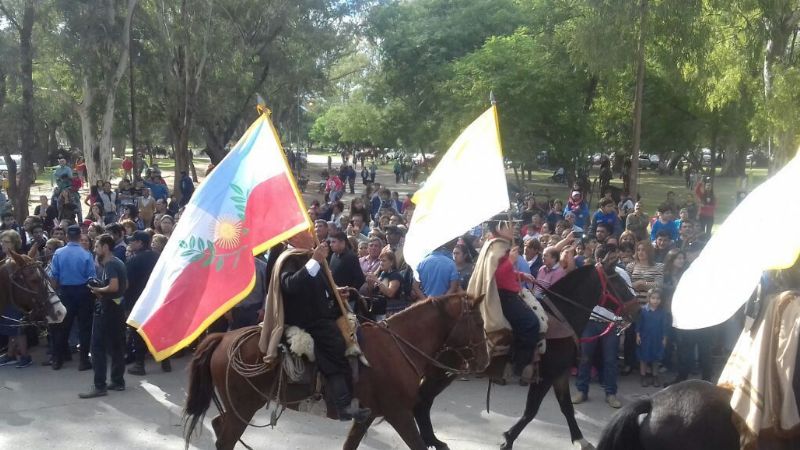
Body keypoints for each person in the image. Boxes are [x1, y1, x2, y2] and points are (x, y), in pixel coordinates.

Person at [279, 241, 371, 422]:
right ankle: (344, 405)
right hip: (307, 320)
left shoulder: (311, 257)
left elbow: (320, 287)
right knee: (337, 350)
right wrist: (314, 261)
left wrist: (336, 292)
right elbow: (290, 285)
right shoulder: (289, 259)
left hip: (324, 314)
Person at [469, 216, 538, 382]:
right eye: (509, 224)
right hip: (503, 296)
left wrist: (521, 275)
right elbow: (495, 276)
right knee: (532, 324)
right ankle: (518, 364)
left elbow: (501, 273)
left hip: (508, 292)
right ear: (499, 227)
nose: (513, 227)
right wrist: (512, 261)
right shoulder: (496, 246)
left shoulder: (497, 245)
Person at [573, 243, 632, 409]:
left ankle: (611, 393)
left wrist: (624, 318)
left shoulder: (621, 274)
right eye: (610, 257)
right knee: (585, 358)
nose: (614, 260)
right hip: (590, 322)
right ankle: (581, 390)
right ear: (600, 258)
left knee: (610, 360)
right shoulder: (588, 275)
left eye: (615, 256)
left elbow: (629, 297)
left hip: (611, 323)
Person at [79, 234, 128, 399]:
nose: (95, 249)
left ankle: (99, 386)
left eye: (97, 246)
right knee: (117, 347)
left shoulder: (110, 264)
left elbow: (113, 286)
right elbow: (124, 285)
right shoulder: (119, 262)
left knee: (97, 348)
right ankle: (118, 381)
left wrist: (98, 290)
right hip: (117, 309)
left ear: (105, 247)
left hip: (107, 310)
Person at [48, 225, 97, 370]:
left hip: (65, 292)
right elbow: (91, 277)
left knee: (62, 327)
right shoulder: (86, 254)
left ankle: (58, 359)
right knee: (84, 328)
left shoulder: (58, 253)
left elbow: (54, 276)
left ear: (67, 236)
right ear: (79, 236)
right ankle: (83, 361)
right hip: (83, 292)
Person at [123, 231, 163, 376]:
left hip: (137, 300)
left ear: (140, 242)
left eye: (133, 241)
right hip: (157, 299)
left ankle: (139, 364)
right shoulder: (159, 257)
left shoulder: (134, 261)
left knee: (138, 332)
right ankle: (166, 361)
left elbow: (126, 284)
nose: (130, 243)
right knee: (158, 329)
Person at [0, 230, 33, 368]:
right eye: (2, 241)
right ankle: (10, 354)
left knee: (18, 329)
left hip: (16, 300)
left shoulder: (19, 259)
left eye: (6, 242)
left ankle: (25, 356)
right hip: (6, 300)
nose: (3, 244)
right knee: (10, 329)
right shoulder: (4, 260)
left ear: (14, 243)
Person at [636, 288, 668, 387]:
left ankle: (655, 376)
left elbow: (664, 326)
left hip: (657, 339)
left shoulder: (662, 312)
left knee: (655, 358)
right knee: (643, 358)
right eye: (653, 298)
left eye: (658, 298)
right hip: (645, 338)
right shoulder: (643, 311)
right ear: (648, 298)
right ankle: (643, 376)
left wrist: (664, 337)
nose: (655, 300)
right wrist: (637, 335)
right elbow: (639, 325)